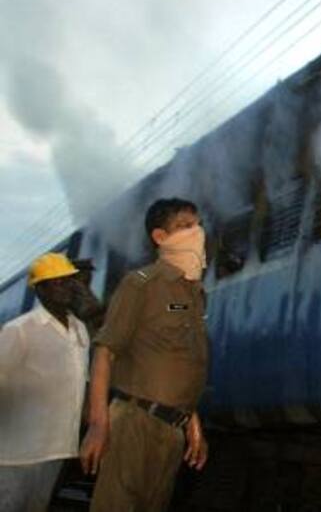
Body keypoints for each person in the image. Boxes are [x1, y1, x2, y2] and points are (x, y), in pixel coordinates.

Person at [80, 198, 210, 511]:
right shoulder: (140, 285)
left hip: (171, 431)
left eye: (197, 225)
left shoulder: (194, 296)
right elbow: (105, 351)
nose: (196, 233)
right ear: (160, 238)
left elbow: (180, 362)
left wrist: (193, 425)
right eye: (184, 227)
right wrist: (99, 424)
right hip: (135, 423)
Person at [0, 253, 90, 512]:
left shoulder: (79, 330)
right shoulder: (20, 330)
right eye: (57, 282)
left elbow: (79, 382)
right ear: (40, 289)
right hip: (17, 453)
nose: (66, 287)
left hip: (57, 449)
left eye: (69, 281)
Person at [68, 258, 106, 336]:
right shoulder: (73, 292)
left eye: (89, 272)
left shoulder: (86, 289)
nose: (89, 276)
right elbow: (85, 312)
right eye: (86, 272)